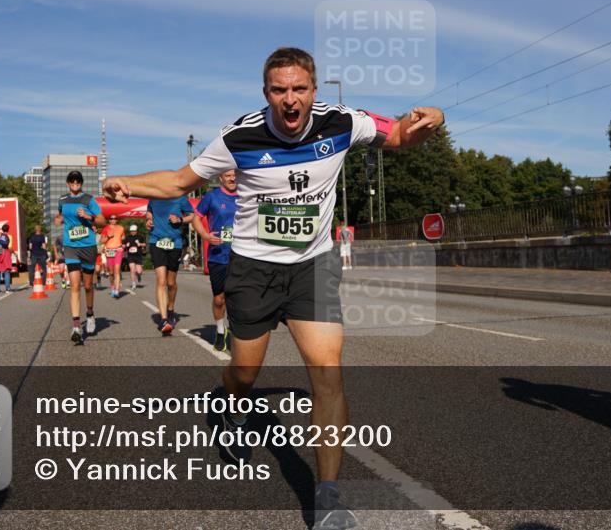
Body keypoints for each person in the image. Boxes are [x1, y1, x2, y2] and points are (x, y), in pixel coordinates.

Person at [104, 47, 444, 528]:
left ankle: (327, 497)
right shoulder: (239, 135)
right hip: (253, 269)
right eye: (279, 90)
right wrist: (129, 184)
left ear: (314, 90)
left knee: (327, 372)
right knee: (244, 374)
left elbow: (405, 136)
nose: (290, 100)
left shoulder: (343, 122)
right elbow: (180, 182)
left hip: (313, 266)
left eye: (299, 89)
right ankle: (233, 412)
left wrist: (436, 118)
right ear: (266, 93)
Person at [55, 170, 106, 344]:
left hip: (88, 246)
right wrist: (58, 220)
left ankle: (90, 314)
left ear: (81, 183)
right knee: (74, 285)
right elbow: (59, 215)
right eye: (72, 181)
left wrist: (89, 216)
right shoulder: (62, 200)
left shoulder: (89, 200)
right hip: (71, 247)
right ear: (68, 183)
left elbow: (102, 220)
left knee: (88, 286)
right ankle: (76, 325)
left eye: (78, 181)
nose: (75, 183)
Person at [191, 169, 239, 351]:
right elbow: (196, 218)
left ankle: (236, 332)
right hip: (218, 254)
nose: (232, 178)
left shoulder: (247, 195)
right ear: (221, 178)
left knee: (239, 297)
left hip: (242, 254)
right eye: (227, 175)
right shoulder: (212, 197)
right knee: (219, 299)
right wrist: (204, 235)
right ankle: (220, 331)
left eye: (234, 175)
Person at [145, 194, 197, 335]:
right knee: (161, 281)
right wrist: (149, 219)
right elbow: (149, 211)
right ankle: (163, 320)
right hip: (156, 241)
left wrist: (180, 219)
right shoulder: (154, 198)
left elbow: (192, 215)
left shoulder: (180, 198)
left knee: (171, 283)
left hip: (175, 243)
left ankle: (171, 309)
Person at [100, 215, 126, 298]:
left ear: (117, 220)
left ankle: (117, 290)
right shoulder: (106, 229)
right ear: (109, 220)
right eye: (111, 218)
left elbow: (123, 237)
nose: (113, 220)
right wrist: (108, 237)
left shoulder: (121, 228)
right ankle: (112, 287)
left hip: (118, 250)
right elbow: (101, 241)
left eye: (115, 218)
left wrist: (122, 244)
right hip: (109, 251)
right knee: (111, 273)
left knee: (117, 271)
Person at [123, 224, 146, 290]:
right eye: (132, 231)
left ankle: (138, 275)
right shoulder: (127, 237)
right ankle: (133, 284)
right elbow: (123, 245)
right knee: (132, 270)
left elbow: (144, 244)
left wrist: (140, 244)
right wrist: (126, 245)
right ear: (130, 231)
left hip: (138, 255)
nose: (133, 232)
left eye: (134, 231)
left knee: (139, 271)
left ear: (136, 231)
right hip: (130, 256)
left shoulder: (140, 237)